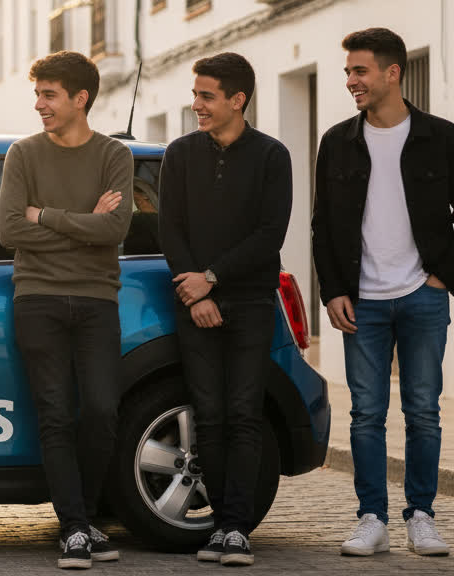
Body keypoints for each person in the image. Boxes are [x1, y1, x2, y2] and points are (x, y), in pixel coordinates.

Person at [315, 27, 454, 559]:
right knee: (365, 413)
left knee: (423, 410)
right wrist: (333, 291)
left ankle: (422, 516)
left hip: (422, 294)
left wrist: (442, 277)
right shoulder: (337, 142)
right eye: (347, 72)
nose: (350, 81)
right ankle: (372, 518)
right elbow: (323, 226)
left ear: (393, 73)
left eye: (359, 71)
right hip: (361, 299)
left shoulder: (443, 137)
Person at [0, 50, 133, 570]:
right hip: (39, 299)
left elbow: (114, 231)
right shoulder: (23, 154)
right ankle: (75, 528)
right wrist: (82, 225)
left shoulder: (113, 156)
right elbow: (10, 230)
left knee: (101, 410)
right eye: (38, 94)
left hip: (99, 299)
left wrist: (46, 216)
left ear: (81, 99)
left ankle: (87, 518)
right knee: (54, 415)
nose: (39, 105)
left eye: (49, 95)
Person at [159, 52, 292, 568]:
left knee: (243, 416)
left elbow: (269, 235)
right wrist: (198, 293)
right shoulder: (181, 154)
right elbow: (170, 228)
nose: (197, 105)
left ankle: (237, 529)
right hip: (196, 306)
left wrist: (211, 279)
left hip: (253, 304)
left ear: (238, 100)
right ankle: (219, 525)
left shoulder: (272, 157)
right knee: (208, 418)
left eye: (206, 96)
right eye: (195, 95)